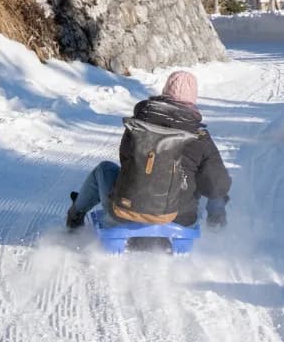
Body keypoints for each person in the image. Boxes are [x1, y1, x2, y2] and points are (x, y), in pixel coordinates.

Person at [66, 69, 232, 230]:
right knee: (216, 183)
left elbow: (126, 160)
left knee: (104, 169)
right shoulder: (199, 136)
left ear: (165, 92)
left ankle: (75, 217)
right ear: (193, 100)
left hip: (126, 212)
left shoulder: (140, 123)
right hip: (179, 218)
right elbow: (217, 185)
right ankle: (216, 228)